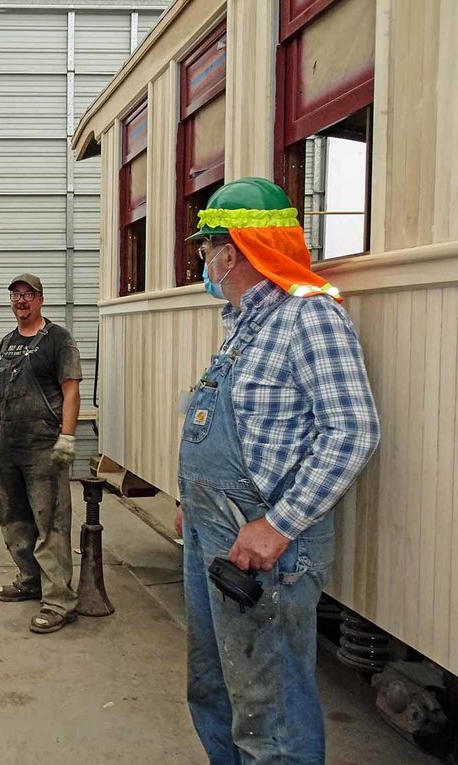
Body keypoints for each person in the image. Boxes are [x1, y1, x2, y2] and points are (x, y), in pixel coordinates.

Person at [177, 177, 380, 763]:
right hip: (211, 532)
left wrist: (278, 525)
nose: (203, 262)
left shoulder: (309, 318)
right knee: (213, 689)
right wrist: (194, 498)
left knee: (270, 714)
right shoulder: (242, 324)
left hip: (266, 545)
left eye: (205, 250)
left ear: (232, 253)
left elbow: (353, 429)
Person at [0, 273, 82, 634]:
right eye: (15, 295)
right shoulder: (8, 342)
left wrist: (67, 438)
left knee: (50, 524)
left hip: (43, 448)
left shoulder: (58, 340)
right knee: (14, 519)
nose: (21, 301)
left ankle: (59, 601)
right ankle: (31, 580)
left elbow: (71, 391)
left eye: (28, 295)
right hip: (12, 446)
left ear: (40, 299)